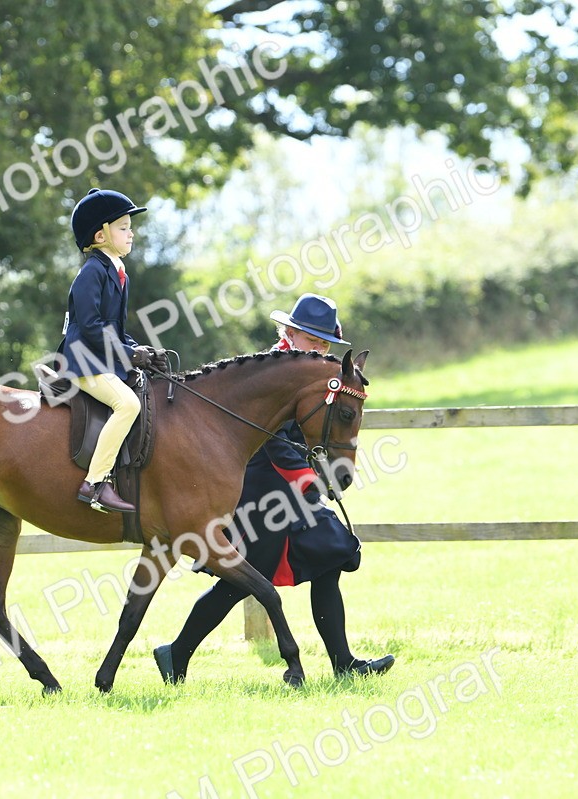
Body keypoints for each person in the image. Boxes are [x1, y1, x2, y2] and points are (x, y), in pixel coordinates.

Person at [153, 293, 395, 682]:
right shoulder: (270, 368)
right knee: (243, 580)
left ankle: (343, 663)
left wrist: (317, 471)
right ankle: (176, 652)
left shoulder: (311, 374)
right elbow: (271, 437)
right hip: (258, 486)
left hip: (287, 486)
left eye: (325, 344)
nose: (321, 350)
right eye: (314, 342)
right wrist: (303, 479)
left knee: (328, 559)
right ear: (293, 334)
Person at [57, 188, 161, 513]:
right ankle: (96, 483)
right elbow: (90, 326)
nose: (131, 233)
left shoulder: (118, 273)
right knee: (127, 404)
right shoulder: (91, 272)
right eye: (123, 227)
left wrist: (137, 349)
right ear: (101, 235)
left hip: (101, 358)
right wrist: (127, 355)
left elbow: (114, 329)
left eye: (130, 227)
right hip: (82, 361)